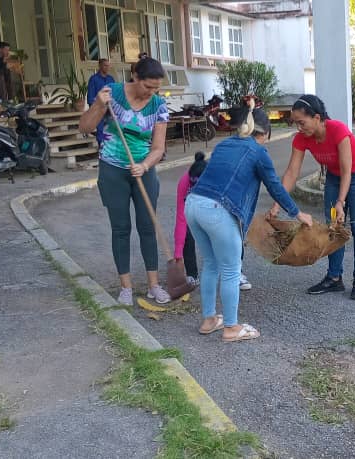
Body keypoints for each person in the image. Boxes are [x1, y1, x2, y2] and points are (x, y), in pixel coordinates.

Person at [186, 101, 314, 342]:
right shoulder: (258, 151)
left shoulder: (224, 144)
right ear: (265, 133)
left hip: (193, 204)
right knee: (231, 270)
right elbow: (275, 187)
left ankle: (209, 319)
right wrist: (298, 213)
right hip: (218, 210)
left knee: (211, 264)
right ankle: (231, 328)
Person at [78, 58, 171, 306]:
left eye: (156, 88)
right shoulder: (112, 94)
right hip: (112, 169)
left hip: (143, 169)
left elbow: (158, 148)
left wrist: (145, 165)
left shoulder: (159, 106)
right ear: (135, 76)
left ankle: (154, 285)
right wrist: (98, 105)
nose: (151, 92)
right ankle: (126, 287)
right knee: (120, 228)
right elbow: (85, 127)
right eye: (148, 86)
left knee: (148, 226)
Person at [271, 94, 355, 300]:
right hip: (335, 177)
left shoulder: (338, 130)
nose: (299, 127)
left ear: (317, 118)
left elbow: (347, 171)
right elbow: (291, 172)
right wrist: (277, 204)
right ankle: (334, 278)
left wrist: (340, 202)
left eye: (302, 122)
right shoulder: (302, 138)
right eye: (295, 123)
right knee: (332, 227)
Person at [174, 152, 254, 290]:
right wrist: (178, 254)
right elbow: (181, 218)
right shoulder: (184, 182)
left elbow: (234, 211)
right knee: (187, 233)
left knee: (232, 234)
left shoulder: (222, 181)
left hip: (220, 207)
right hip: (197, 208)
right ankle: (192, 275)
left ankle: (236, 272)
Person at [87, 59, 116, 146]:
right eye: (105, 65)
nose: (107, 67)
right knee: (100, 129)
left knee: (111, 129)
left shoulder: (111, 79)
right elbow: (90, 95)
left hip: (110, 108)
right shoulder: (93, 79)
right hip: (99, 108)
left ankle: (110, 147)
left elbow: (114, 93)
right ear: (100, 66)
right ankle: (102, 147)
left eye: (108, 65)